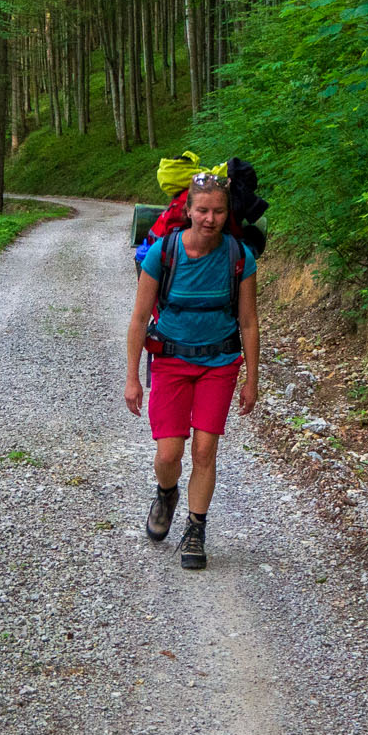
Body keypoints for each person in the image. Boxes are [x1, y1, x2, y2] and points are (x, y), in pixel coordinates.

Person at [124, 171, 259, 570]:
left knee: (204, 449)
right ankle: (166, 493)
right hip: (170, 360)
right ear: (187, 210)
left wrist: (253, 378)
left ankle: (196, 529)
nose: (210, 218)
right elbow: (137, 320)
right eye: (202, 210)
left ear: (226, 212)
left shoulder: (239, 257)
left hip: (220, 362)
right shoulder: (163, 253)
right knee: (169, 452)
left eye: (218, 211)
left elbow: (249, 322)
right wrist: (132, 377)